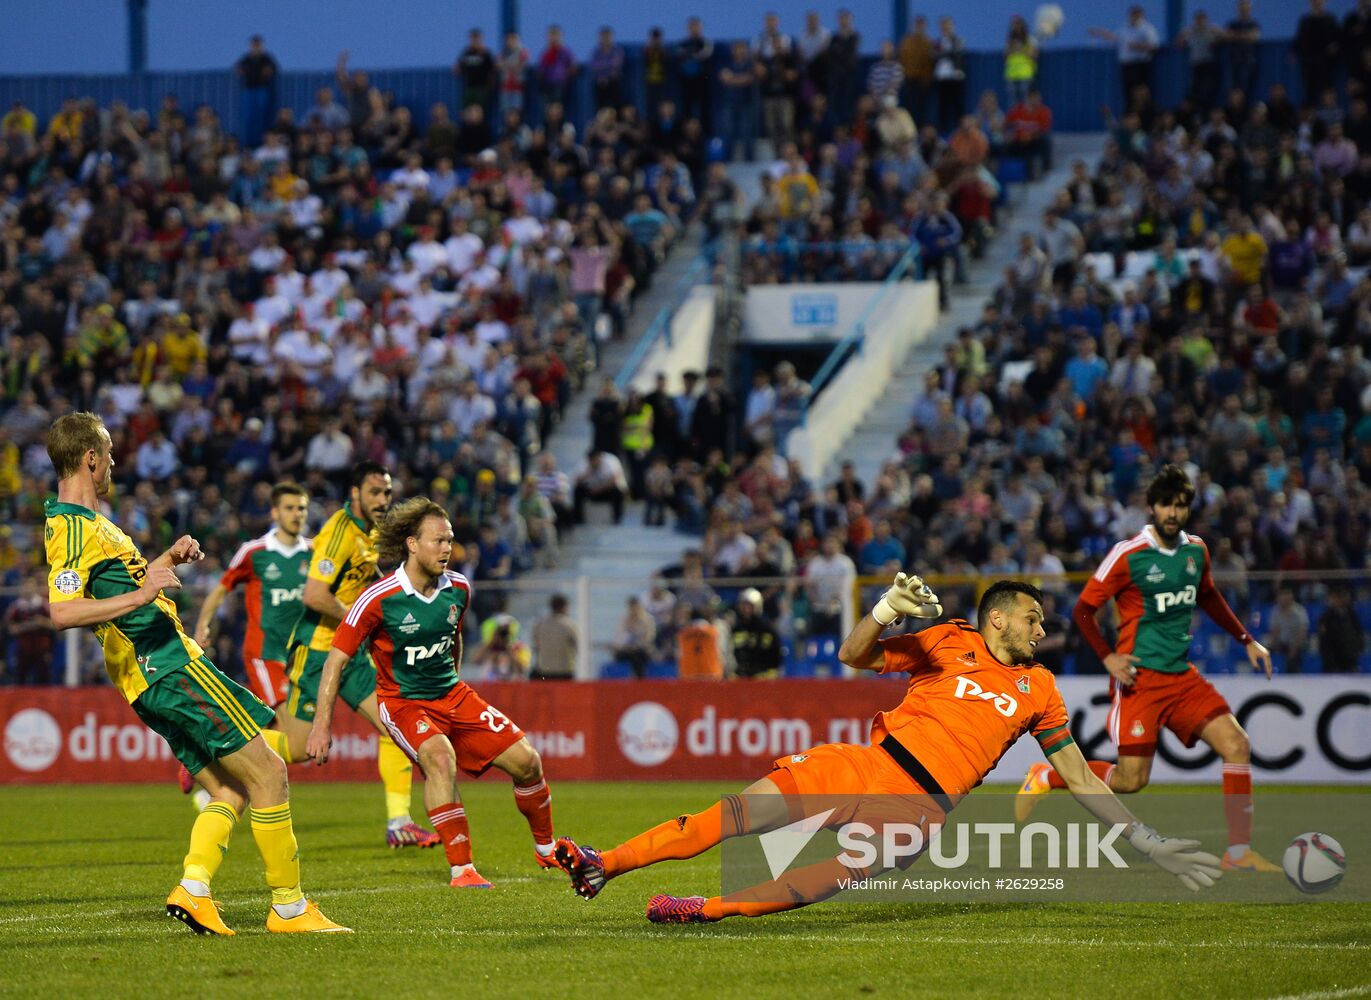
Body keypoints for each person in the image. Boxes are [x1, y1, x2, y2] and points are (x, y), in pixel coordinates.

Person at [553, 577, 1222, 922]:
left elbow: (1077, 776)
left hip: (919, 809)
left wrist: (1145, 839)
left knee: (819, 882)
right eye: (1031, 618)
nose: (1040, 629)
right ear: (996, 618)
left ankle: (708, 909)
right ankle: (601, 864)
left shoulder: (1039, 687)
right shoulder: (945, 640)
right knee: (735, 814)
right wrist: (881, 612)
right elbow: (852, 655)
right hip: (865, 762)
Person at [43, 412, 346, 934]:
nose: (114, 462)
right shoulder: (71, 526)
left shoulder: (96, 524)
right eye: (109, 453)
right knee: (270, 771)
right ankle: (291, 909)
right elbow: (63, 611)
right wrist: (143, 593)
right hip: (169, 665)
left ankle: (195, 889)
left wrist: (165, 561)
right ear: (90, 458)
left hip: (150, 677)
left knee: (230, 790)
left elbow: (121, 588)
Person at [1016, 465, 1278, 873]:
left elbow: (1208, 596)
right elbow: (1084, 609)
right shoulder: (1129, 554)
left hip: (1182, 677)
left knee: (1236, 744)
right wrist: (1108, 656)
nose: (1173, 512)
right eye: (1165, 505)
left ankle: (1239, 853)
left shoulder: (1197, 551)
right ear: (1152, 507)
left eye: (1180, 505)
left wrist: (1247, 640)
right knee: (1131, 780)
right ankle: (1049, 776)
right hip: (1140, 681)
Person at [306, 498, 559, 886]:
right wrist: (321, 726)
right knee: (439, 760)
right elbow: (335, 661)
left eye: (450, 540)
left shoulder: (458, 588)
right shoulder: (377, 598)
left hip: (453, 694)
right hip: (403, 703)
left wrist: (455, 689)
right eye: (438, 541)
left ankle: (547, 851)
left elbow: (453, 642)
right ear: (412, 544)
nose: (447, 549)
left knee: (529, 763)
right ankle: (462, 869)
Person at [281, 461, 439, 848]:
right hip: (318, 653)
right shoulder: (339, 531)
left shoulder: (369, 532)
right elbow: (314, 595)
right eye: (374, 492)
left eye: (387, 492)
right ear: (355, 494)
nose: (383, 499)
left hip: (350, 653)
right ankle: (219, 756)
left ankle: (399, 822)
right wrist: (362, 619)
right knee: (298, 750)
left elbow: (362, 584)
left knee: (394, 726)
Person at [1089, 7, 1159, 108]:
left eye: (1136, 15)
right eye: (1132, 15)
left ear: (1141, 16)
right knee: (1128, 93)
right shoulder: (1124, 28)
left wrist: (1139, 46)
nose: (1133, 18)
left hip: (1140, 64)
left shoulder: (1147, 29)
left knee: (1140, 92)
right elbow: (1113, 37)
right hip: (1126, 65)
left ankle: (1144, 111)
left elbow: (1154, 46)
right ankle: (1130, 113)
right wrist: (1099, 32)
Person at [235, 35, 278, 147]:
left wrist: (267, 72)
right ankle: (248, 144)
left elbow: (272, 70)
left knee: (261, 117)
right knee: (249, 119)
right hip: (249, 90)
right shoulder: (246, 59)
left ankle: (261, 143)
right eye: (254, 45)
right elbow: (238, 69)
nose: (256, 47)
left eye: (258, 45)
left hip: (261, 90)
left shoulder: (267, 59)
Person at [731, 587, 782, 679]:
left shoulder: (767, 630)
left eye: (750, 606)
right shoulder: (735, 629)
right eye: (744, 606)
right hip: (739, 679)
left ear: (757, 607)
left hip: (763, 678)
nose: (746, 610)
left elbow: (776, 656)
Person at [1317, 587, 1364, 672]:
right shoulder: (1326, 617)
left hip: (1350, 657)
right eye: (1340, 597)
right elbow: (1324, 639)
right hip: (1332, 658)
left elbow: (1358, 633)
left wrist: (1357, 649)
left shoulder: (1352, 614)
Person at [532, 592, 578, 680]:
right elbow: (576, 647)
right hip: (565, 672)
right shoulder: (570, 625)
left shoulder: (539, 625)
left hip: (544, 671)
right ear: (564, 607)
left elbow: (536, 646)